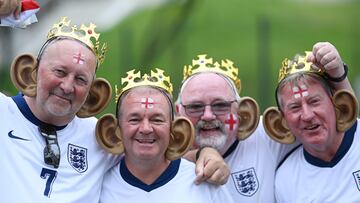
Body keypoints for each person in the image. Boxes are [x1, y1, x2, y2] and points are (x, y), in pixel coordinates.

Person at [176, 42, 351, 202]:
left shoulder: (267, 136)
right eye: (195, 107)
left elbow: (336, 119)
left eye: (220, 105)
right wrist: (199, 154)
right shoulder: (160, 147)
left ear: (244, 113)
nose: (207, 116)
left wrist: (338, 76)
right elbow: (157, 157)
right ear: (179, 113)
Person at [0, 17, 117, 202]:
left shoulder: (101, 138)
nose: (67, 87)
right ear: (32, 71)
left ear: (93, 93)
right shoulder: (3, 113)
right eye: (60, 72)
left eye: (80, 79)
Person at [96, 68, 234, 202]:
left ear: (174, 129)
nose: (146, 129)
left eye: (157, 120)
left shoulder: (203, 183)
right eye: (134, 119)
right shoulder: (99, 186)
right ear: (116, 129)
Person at [263, 44, 359, 202]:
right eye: (294, 107)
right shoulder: (286, 181)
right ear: (282, 122)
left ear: (337, 103)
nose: (307, 116)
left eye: (314, 101)